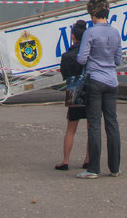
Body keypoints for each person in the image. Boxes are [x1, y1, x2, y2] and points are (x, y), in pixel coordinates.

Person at [75, 0, 122, 179]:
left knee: (94, 125)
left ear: (93, 14)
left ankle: (93, 168)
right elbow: (118, 59)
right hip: (112, 81)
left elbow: (81, 59)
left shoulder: (90, 32)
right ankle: (115, 167)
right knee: (112, 124)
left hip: (95, 80)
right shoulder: (115, 32)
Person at [56, 20, 91, 171]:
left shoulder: (67, 55)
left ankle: (65, 160)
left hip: (73, 93)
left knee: (71, 128)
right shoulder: (90, 54)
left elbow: (64, 75)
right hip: (89, 91)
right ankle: (88, 159)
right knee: (91, 128)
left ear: (73, 36)